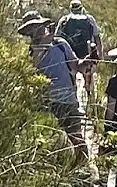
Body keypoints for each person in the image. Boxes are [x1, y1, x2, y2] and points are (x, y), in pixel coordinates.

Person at [18, 10, 87, 164]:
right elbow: (33, 66)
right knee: (49, 140)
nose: (35, 31)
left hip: (68, 99)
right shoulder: (31, 51)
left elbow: (75, 65)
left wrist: (86, 62)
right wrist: (43, 45)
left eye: (37, 26)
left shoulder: (60, 44)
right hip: (46, 103)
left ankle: (83, 168)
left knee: (77, 138)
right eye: (31, 28)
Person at [55, 0, 102, 97]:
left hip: (70, 55)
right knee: (88, 79)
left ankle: (74, 99)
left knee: (72, 79)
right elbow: (97, 38)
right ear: (81, 8)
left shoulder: (64, 20)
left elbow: (56, 38)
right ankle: (90, 99)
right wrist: (99, 54)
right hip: (87, 54)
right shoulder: (89, 20)